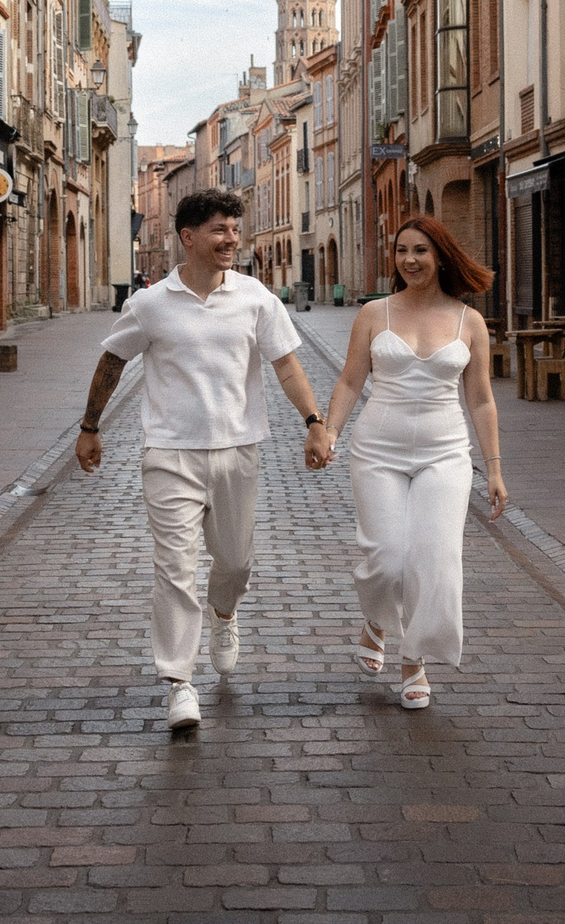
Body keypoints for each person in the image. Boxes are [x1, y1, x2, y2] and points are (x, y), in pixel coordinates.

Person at [74, 188, 332, 733]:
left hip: (238, 450)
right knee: (175, 568)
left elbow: (286, 366)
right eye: (219, 230)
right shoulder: (149, 304)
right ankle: (179, 684)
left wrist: (314, 422)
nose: (231, 239)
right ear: (187, 237)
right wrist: (89, 428)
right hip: (170, 453)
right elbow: (111, 363)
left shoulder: (256, 298)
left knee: (236, 563)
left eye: (235, 229)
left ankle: (225, 613)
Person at [311, 216, 503, 710]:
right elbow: (351, 380)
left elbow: (480, 399)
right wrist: (330, 430)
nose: (409, 260)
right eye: (401, 251)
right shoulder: (376, 314)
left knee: (435, 558)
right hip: (377, 451)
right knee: (388, 556)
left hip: (445, 453)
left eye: (420, 251)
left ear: (440, 256)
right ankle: (377, 619)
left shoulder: (469, 321)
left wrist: (495, 468)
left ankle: (413, 658)